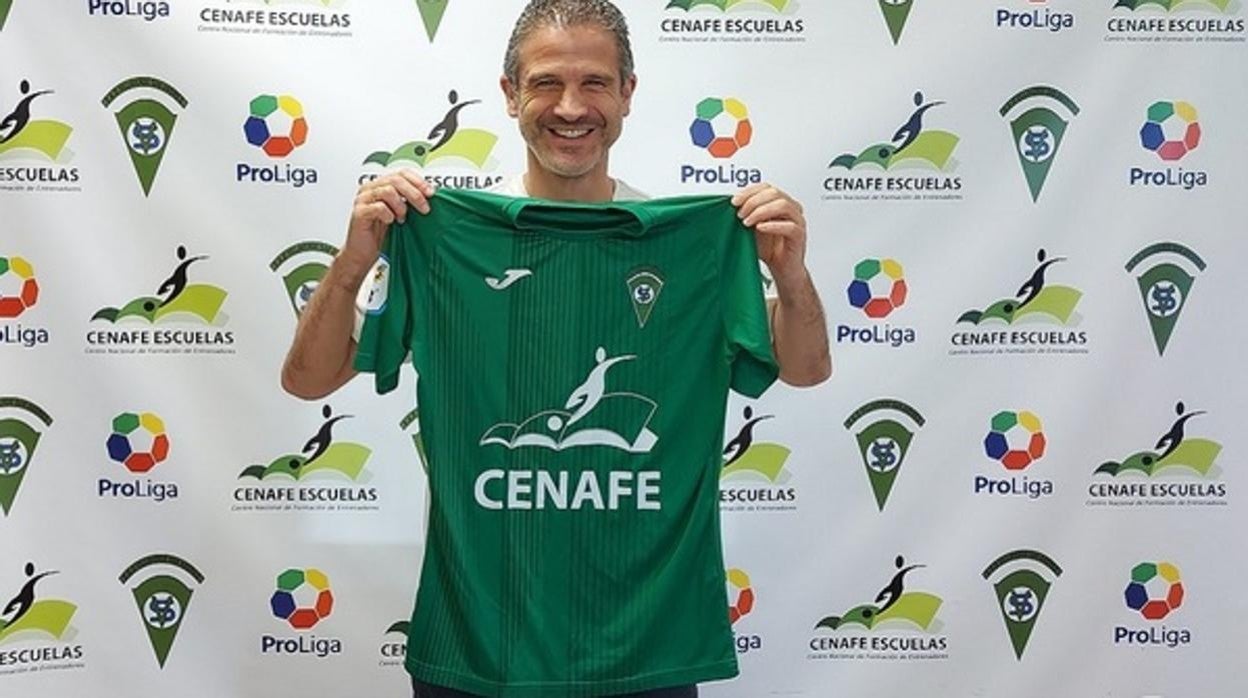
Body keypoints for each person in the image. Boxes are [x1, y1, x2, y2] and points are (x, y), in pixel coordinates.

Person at [281, 2, 831, 695]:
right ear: (510, 95)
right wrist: (355, 259)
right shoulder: (444, 238)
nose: (571, 107)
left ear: (629, 93)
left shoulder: (692, 248)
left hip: (646, 651)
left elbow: (808, 369)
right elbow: (307, 380)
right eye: (546, 83)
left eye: (595, 82)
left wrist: (789, 271)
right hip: (478, 651)